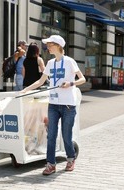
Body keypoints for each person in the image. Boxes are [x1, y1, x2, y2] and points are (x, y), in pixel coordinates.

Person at [21, 35, 86, 175]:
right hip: (54, 105)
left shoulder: (69, 62)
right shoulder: (50, 63)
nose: (47, 47)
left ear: (58, 45)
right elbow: (40, 81)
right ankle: (51, 164)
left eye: (50, 45)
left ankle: (70, 158)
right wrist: (25, 90)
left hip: (68, 105)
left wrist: (70, 83)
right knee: (51, 135)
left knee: (66, 135)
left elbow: (82, 79)